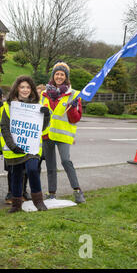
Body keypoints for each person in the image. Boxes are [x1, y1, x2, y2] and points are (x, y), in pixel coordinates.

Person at [0, 76, 50, 213]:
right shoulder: (8, 106)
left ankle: (38, 201)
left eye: (28, 87)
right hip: (15, 147)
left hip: (32, 147)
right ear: (17, 88)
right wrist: (12, 146)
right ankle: (16, 205)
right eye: (22, 87)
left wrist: (46, 116)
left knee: (33, 169)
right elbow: (4, 127)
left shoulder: (37, 106)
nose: (25, 90)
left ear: (32, 89)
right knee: (16, 174)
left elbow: (42, 128)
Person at [40, 62, 86, 203]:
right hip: (47, 134)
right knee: (50, 165)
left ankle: (77, 191)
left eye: (62, 74)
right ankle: (51, 193)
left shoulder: (73, 95)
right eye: (57, 74)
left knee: (66, 161)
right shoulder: (44, 94)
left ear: (66, 77)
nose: (59, 76)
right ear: (53, 76)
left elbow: (75, 119)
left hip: (63, 135)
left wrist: (72, 108)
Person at [21, 84, 47, 201]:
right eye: (37, 92)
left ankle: (35, 194)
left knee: (34, 169)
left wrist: (46, 116)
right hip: (23, 143)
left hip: (36, 145)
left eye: (41, 93)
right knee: (23, 170)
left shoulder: (42, 107)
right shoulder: (26, 105)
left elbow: (44, 126)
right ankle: (23, 191)